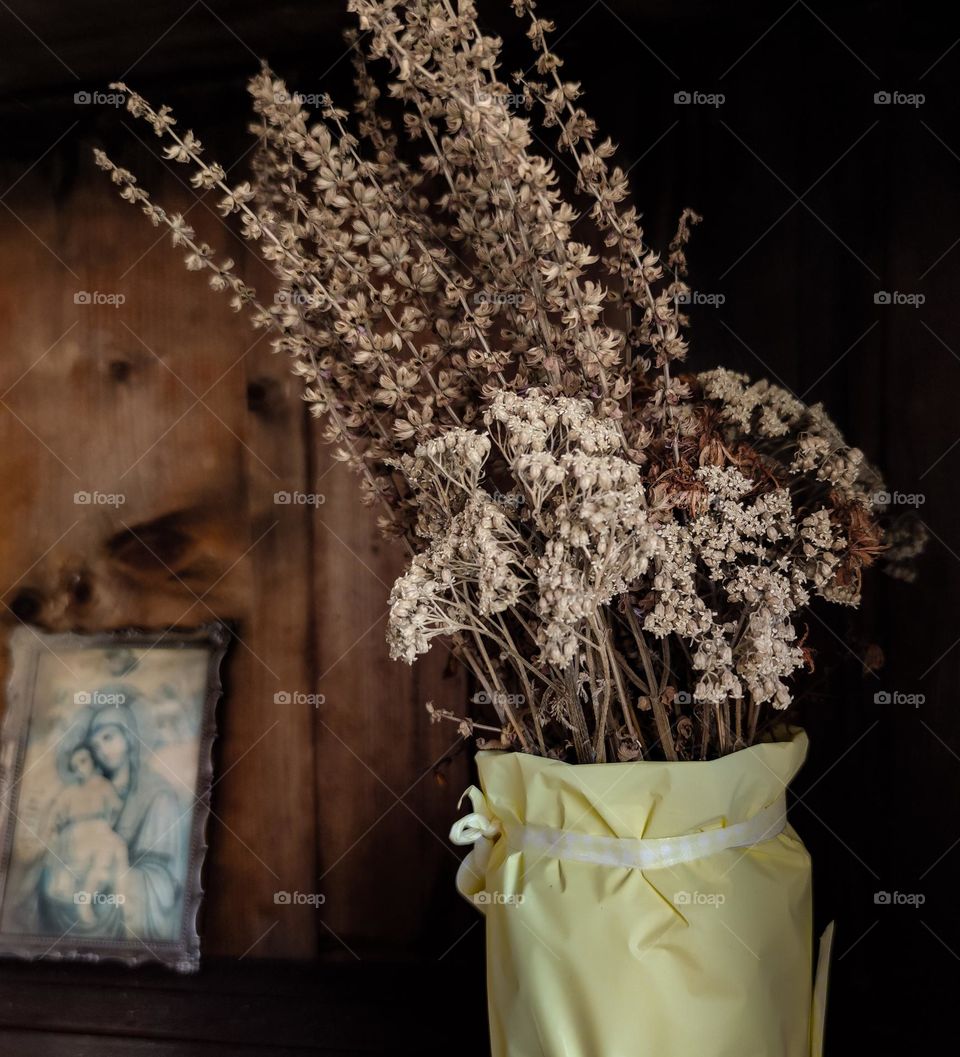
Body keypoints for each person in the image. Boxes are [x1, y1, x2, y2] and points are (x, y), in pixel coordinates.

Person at [40, 745, 128, 925]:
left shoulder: (104, 786)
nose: (79, 768)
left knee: (116, 849)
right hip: (76, 834)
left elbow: (115, 809)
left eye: (83, 761)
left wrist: (105, 825)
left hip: (100, 830)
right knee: (106, 849)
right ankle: (85, 901)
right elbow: (55, 817)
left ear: (93, 762)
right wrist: (54, 834)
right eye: (75, 765)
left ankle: (114, 898)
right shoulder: (70, 792)